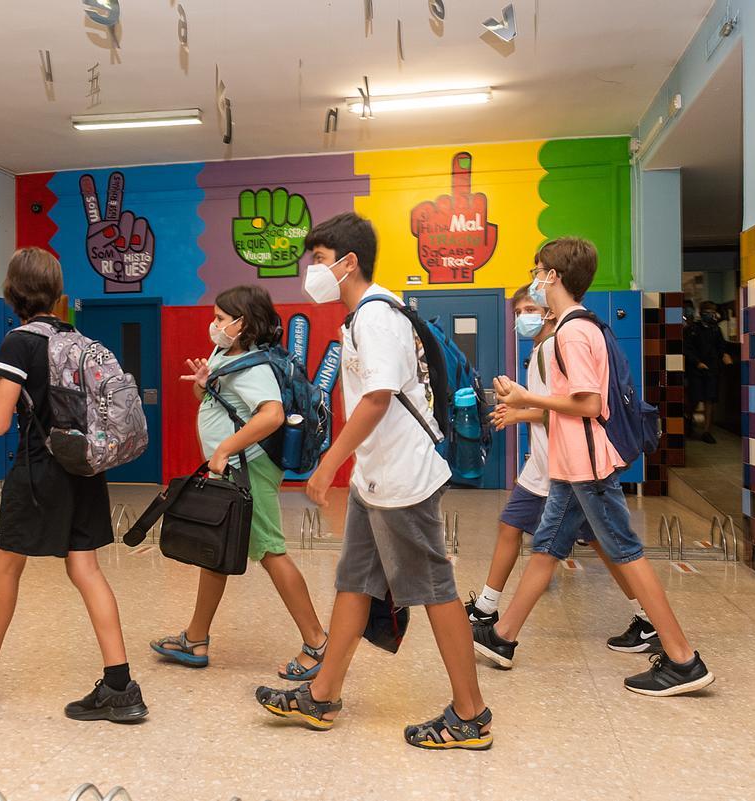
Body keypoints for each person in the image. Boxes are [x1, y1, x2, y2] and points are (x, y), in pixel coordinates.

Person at [254, 212, 493, 750]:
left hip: (401, 479)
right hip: (377, 476)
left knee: (433, 589)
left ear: (348, 262)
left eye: (317, 260)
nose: (311, 272)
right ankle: (322, 694)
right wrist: (354, 467)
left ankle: (471, 714)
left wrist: (327, 463)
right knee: (356, 580)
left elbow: (379, 397)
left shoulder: (375, 316)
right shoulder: (363, 315)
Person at [474, 237, 715, 696]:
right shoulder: (578, 326)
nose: (535, 279)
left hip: (587, 465)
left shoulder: (571, 332)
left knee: (626, 552)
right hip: (570, 467)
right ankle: (503, 637)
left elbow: (587, 403)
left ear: (554, 277)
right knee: (546, 546)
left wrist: (527, 398)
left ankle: (683, 658)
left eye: (538, 270)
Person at [0, 247, 147, 722]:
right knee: (86, 569)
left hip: (37, 474)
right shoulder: (77, 338)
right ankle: (120, 686)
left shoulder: (19, 343)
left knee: (6, 567)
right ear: (57, 294)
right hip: (83, 469)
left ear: (12, 293)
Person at [467, 283, 660, 657]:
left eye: (529, 308)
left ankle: (664, 634)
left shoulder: (561, 345)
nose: (522, 317)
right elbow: (556, 408)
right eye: (518, 310)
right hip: (552, 467)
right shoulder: (541, 350)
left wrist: (522, 407)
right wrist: (521, 411)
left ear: (550, 309)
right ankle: (493, 621)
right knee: (538, 540)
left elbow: (576, 406)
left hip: (569, 467)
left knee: (608, 547)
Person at [150, 285, 328, 679]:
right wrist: (202, 381)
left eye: (219, 318)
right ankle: (195, 639)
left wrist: (226, 448)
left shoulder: (255, 366)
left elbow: (271, 415)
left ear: (241, 323)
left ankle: (318, 643)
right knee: (217, 546)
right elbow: (212, 399)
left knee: (269, 551)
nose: (213, 325)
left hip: (248, 468)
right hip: (234, 467)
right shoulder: (226, 354)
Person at [684, 300, 733, 443]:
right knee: (695, 398)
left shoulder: (715, 330)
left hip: (712, 369)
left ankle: (706, 431)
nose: (712, 315)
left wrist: (724, 356)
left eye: (713, 312)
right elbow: (687, 349)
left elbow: (721, 347)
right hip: (696, 370)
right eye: (709, 312)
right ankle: (688, 419)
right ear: (702, 313)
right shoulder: (693, 329)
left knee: (710, 400)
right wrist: (697, 363)